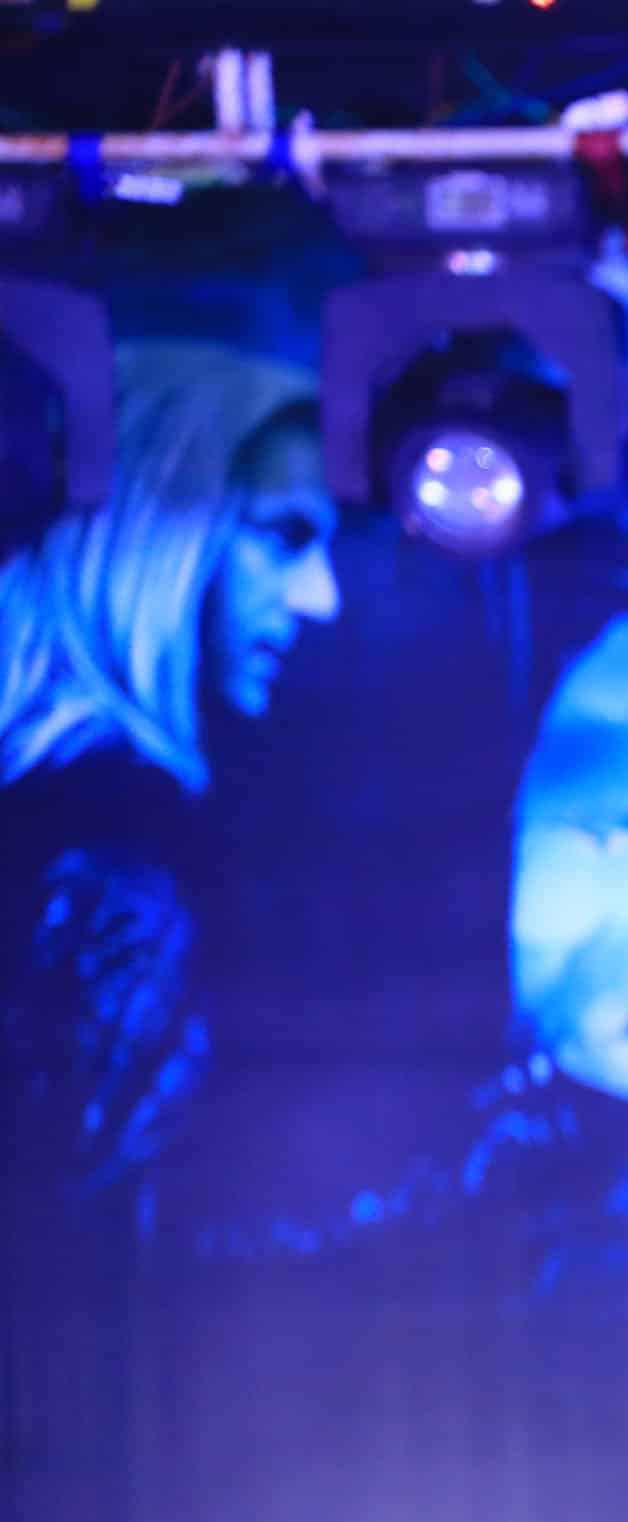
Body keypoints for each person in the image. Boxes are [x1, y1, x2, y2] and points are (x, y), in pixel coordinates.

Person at [0, 339, 341, 1215]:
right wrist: (546, 1125)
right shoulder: (116, 877)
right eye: (285, 535)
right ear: (144, 529)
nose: (322, 598)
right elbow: (90, 1240)